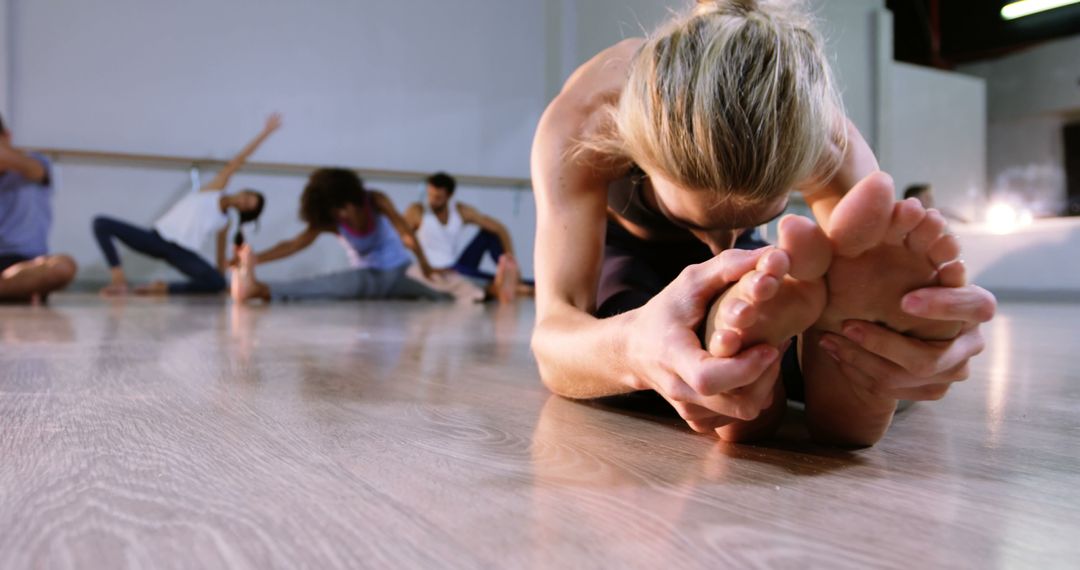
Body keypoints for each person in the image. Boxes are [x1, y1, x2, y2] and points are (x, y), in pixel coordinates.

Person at [529, 0, 996, 446]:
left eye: (747, 219)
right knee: (627, 321)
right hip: (627, 252)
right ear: (636, 152)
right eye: (700, 223)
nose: (720, 248)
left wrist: (903, 335)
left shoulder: (821, 133)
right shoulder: (589, 118)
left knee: (820, 310)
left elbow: (871, 266)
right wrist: (630, 348)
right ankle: (745, 362)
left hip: (762, 263)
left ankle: (816, 362)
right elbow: (553, 334)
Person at [91, 114, 280, 295]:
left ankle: (160, 289)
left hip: (182, 253)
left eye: (246, 206)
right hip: (157, 239)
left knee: (217, 282)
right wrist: (265, 133)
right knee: (101, 223)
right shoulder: (214, 189)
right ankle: (118, 280)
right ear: (243, 191)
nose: (242, 202)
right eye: (246, 197)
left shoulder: (225, 222)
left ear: (243, 211)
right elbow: (238, 161)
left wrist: (220, 278)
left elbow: (220, 255)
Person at [231, 167, 450, 303]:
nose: (343, 215)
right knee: (329, 284)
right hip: (366, 276)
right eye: (336, 212)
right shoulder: (332, 221)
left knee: (441, 296)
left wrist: (426, 266)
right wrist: (255, 258)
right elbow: (294, 244)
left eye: (344, 208)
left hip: (400, 271)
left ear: (353, 198)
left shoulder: (375, 200)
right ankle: (258, 289)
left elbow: (405, 231)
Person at [404, 171, 531, 302]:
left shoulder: (460, 211)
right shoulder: (417, 210)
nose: (432, 201)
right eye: (430, 195)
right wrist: (425, 264)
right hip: (430, 267)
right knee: (482, 280)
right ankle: (513, 285)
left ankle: (508, 273)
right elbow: (405, 237)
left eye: (437, 198)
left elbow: (500, 229)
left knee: (488, 234)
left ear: (449, 196)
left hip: (455, 266)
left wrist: (512, 260)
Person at [0, 113, 77, 302]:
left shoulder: (36, 163)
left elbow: (32, 169)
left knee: (62, 267)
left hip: (27, 263)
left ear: (7, 137)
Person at [904, 183, 968, 223]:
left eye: (931, 197)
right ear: (915, 199)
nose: (931, 200)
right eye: (927, 197)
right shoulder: (909, 222)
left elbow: (948, 213)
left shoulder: (940, 213)